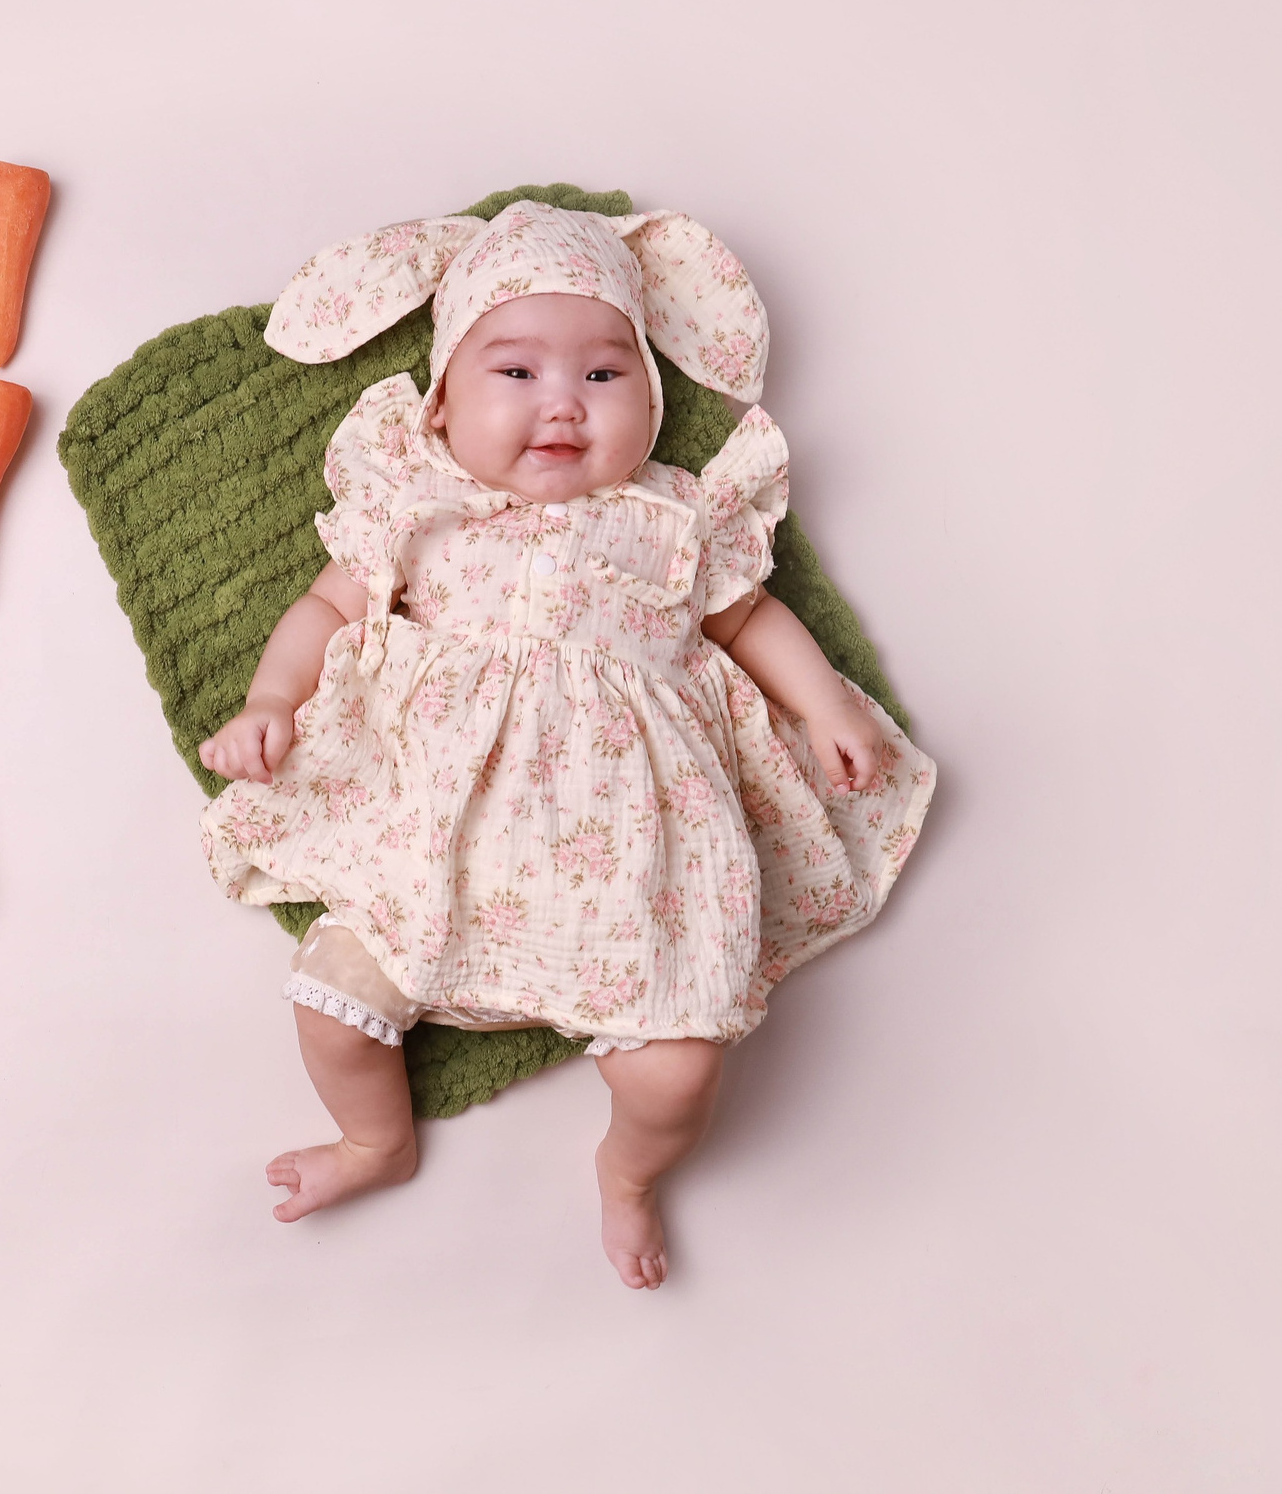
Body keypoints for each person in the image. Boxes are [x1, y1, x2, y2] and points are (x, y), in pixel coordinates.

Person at [197, 200, 934, 1288]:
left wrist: (824, 707)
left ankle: (631, 1176)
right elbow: (323, 608)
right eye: (515, 373)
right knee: (333, 1005)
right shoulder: (417, 503)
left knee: (677, 1078)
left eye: (603, 375)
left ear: (650, 393)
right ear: (441, 403)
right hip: (429, 848)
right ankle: (375, 1141)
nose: (563, 406)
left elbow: (750, 618)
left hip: (633, 873)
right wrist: (269, 700)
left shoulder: (670, 517)